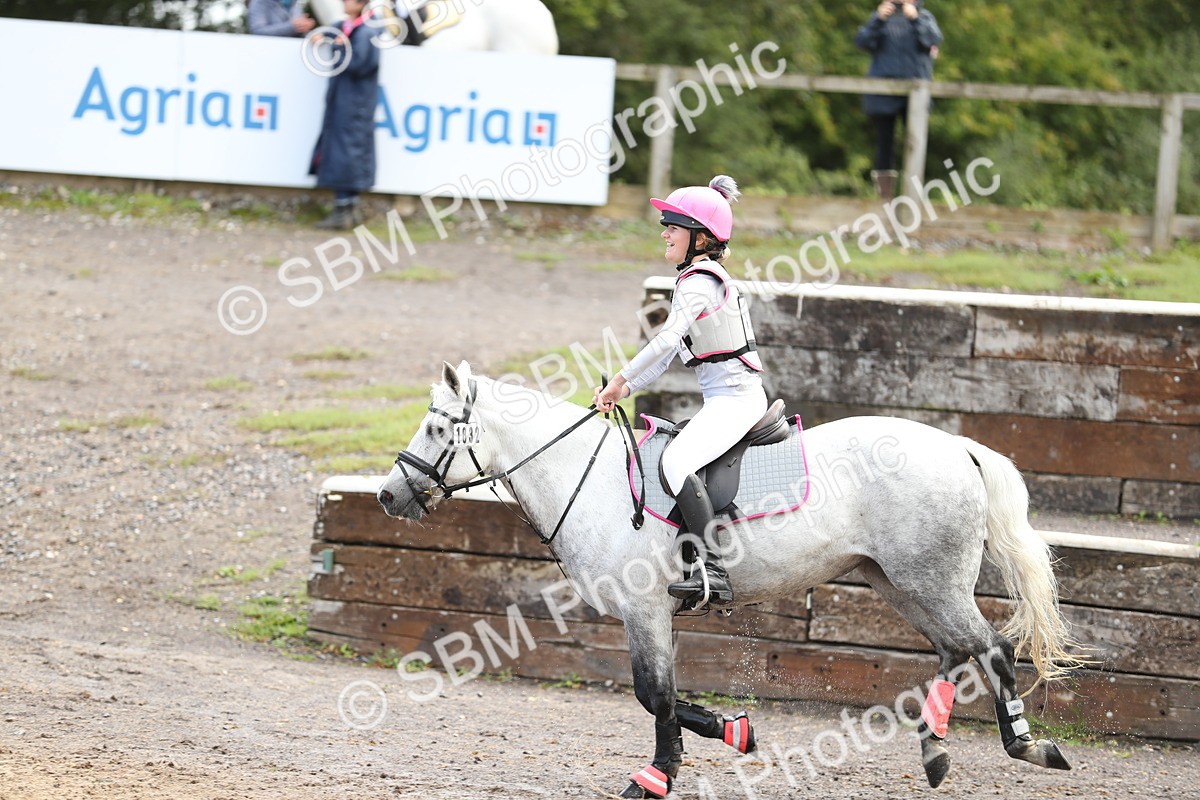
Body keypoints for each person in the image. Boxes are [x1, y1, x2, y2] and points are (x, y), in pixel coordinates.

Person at [594, 176, 767, 609]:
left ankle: (713, 569)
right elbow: (667, 355)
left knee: (674, 462)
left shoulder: (698, 281)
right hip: (726, 399)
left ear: (702, 237)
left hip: (736, 400)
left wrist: (619, 379)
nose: (664, 232)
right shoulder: (700, 276)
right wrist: (628, 387)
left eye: (673, 225)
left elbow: (667, 341)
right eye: (665, 224)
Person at [854, 0, 942, 201]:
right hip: (883, 92)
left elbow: (933, 39)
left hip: (916, 93)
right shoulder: (879, 18)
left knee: (915, 144)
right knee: (884, 143)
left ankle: (912, 197)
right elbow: (862, 42)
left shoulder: (925, 17)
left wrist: (916, 19)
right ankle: (885, 199)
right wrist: (878, 19)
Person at [308, 0, 380, 230]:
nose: (343, 2)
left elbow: (358, 62)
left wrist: (338, 46)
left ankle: (344, 210)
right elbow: (333, 33)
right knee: (342, 154)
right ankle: (348, 210)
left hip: (354, 105)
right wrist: (328, 39)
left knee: (348, 156)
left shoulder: (368, 30)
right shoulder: (348, 27)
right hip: (344, 102)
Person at [247, 0, 316, 37]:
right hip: (269, 54)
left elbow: (299, 31)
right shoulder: (259, 2)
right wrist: (292, 27)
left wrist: (310, 35)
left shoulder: (294, 4)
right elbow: (258, 31)